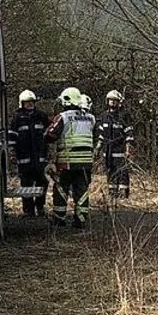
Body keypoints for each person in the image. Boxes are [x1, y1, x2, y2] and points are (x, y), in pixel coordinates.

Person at [45, 86, 96, 228]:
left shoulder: (63, 117)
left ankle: (59, 218)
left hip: (66, 162)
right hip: (85, 162)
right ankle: (80, 220)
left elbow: (50, 135)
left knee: (61, 188)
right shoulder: (90, 118)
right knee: (82, 190)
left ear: (66, 101)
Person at [7, 89, 51, 217]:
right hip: (24, 158)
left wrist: (49, 154)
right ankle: (28, 210)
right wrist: (12, 153)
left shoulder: (41, 116)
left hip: (39, 158)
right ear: (21, 103)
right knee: (26, 185)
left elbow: (49, 135)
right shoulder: (17, 119)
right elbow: (12, 137)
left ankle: (40, 206)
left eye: (31, 102)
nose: (30, 104)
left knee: (43, 182)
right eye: (27, 103)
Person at [95, 89, 135, 198]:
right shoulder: (104, 116)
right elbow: (102, 135)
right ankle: (112, 193)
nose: (112, 102)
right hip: (108, 151)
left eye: (115, 100)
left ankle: (123, 193)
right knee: (110, 172)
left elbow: (129, 134)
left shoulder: (123, 116)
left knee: (122, 172)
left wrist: (128, 150)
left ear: (119, 102)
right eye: (110, 100)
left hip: (120, 151)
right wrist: (98, 148)